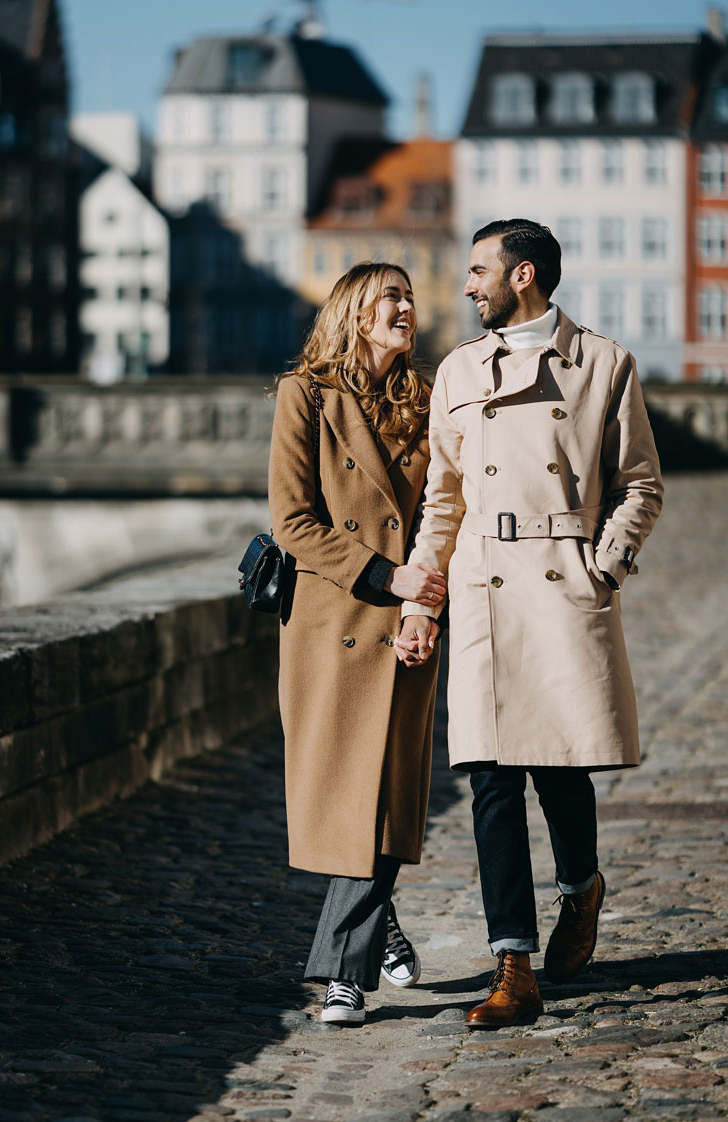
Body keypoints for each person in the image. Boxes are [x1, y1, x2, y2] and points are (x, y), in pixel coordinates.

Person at [398, 219, 664, 1028]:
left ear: (524, 275)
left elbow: (641, 484)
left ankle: (581, 890)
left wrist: (604, 564)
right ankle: (512, 965)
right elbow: (443, 500)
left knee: (558, 768)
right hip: (482, 584)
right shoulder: (457, 370)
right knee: (489, 778)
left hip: (560, 580)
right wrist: (421, 598)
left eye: (479, 270)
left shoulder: (604, 364)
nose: (467, 284)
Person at [268, 262, 447, 1026]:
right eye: (391, 297)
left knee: (389, 796)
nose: (406, 307)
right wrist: (388, 577)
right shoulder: (304, 395)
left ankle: (344, 974)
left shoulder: (427, 400)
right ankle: (361, 953)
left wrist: (422, 606)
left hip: (404, 625)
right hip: (332, 621)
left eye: (410, 296)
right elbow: (293, 522)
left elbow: (446, 507)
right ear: (354, 311)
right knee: (351, 797)